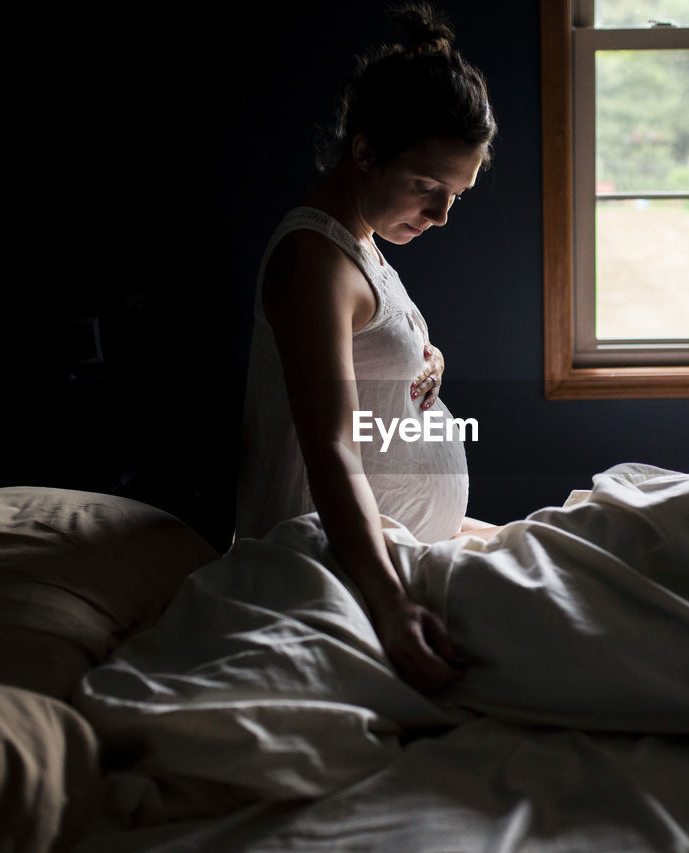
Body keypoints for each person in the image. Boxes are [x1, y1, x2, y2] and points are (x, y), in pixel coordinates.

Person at [235, 3, 498, 695]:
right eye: (428, 188)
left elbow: (368, 345)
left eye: (457, 196)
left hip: (402, 543)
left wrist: (425, 357)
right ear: (363, 151)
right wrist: (388, 605)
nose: (442, 215)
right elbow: (332, 449)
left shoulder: (361, 239)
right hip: (344, 561)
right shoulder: (311, 260)